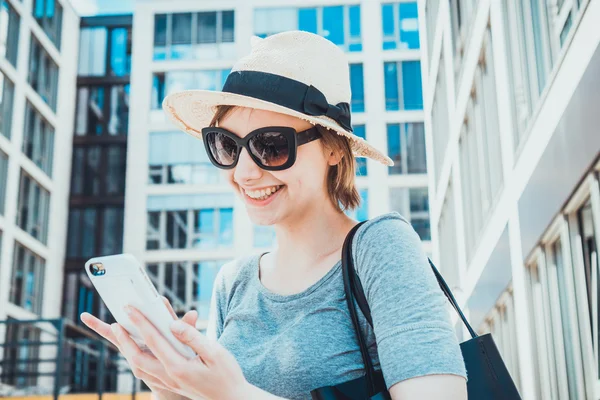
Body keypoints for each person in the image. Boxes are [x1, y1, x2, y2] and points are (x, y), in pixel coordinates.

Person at [81, 31, 467, 400]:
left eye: (271, 146)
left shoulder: (381, 248)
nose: (244, 172)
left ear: (333, 150)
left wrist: (235, 393)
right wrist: (172, 385)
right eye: (227, 145)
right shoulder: (234, 283)